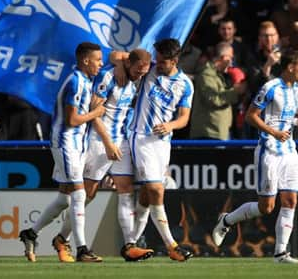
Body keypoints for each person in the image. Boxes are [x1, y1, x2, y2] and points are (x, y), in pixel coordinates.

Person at [53, 48, 154, 263]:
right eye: (138, 70)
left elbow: (120, 54)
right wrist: (107, 143)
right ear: (129, 64)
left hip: (121, 141)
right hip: (99, 142)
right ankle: (62, 238)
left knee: (125, 188)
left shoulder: (133, 77)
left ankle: (129, 246)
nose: (140, 75)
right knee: (86, 195)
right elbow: (94, 112)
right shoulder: (109, 76)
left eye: (144, 72)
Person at [212, 49, 298, 264]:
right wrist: (273, 132)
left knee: (291, 200)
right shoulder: (270, 87)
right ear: (290, 67)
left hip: (289, 150)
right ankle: (226, 220)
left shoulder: (295, 89)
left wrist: (296, 122)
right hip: (270, 150)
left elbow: (284, 116)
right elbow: (250, 116)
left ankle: (281, 253)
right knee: (267, 207)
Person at [19, 42, 105, 263]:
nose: (101, 64)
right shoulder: (76, 82)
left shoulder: (85, 81)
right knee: (79, 194)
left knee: (64, 198)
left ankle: (31, 233)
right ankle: (82, 249)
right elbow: (72, 119)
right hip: (65, 143)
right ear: (86, 60)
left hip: (76, 144)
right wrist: (95, 112)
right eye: (98, 60)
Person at [120, 38, 194, 261]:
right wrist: (125, 61)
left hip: (163, 143)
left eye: (163, 61)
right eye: (157, 59)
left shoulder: (185, 84)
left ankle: (130, 244)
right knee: (156, 190)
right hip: (140, 137)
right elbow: (118, 56)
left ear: (174, 60)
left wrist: (170, 125)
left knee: (146, 193)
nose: (158, 64)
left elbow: (184, 118)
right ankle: (171, 245)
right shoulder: (148, 71)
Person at [189, 42, 245, 140]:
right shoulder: (207, 74)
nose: (231, 61)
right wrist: (236, 91)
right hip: (209, 133)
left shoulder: (219, 75)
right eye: (230, 58)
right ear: (223, 58)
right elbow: (213, 99)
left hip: (217, 131)